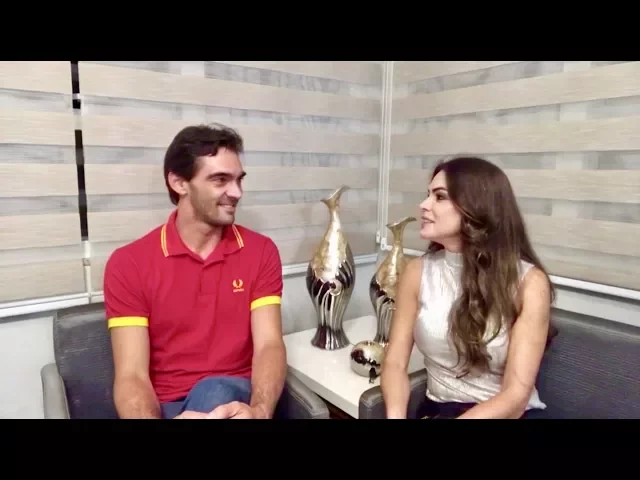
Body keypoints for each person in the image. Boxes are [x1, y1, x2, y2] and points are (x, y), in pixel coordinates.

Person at [103, 123, 287, 419]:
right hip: (166, 409)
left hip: (237, 400)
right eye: (220, 180)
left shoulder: (260, 251)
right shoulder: (128, 264)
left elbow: (269, 346)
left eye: (239, 180)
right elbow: (131, 376)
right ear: (179, 183)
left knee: (215, 391)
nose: (236, 192)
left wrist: (261, 411)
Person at [380, 156, 555, 419]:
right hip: (438, 408)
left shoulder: (529, 283)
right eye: (427, 195)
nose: (424, 205)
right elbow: (394, 362)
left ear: (476, 207)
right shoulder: (417, 272)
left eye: (440, 197)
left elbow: (516, 395)